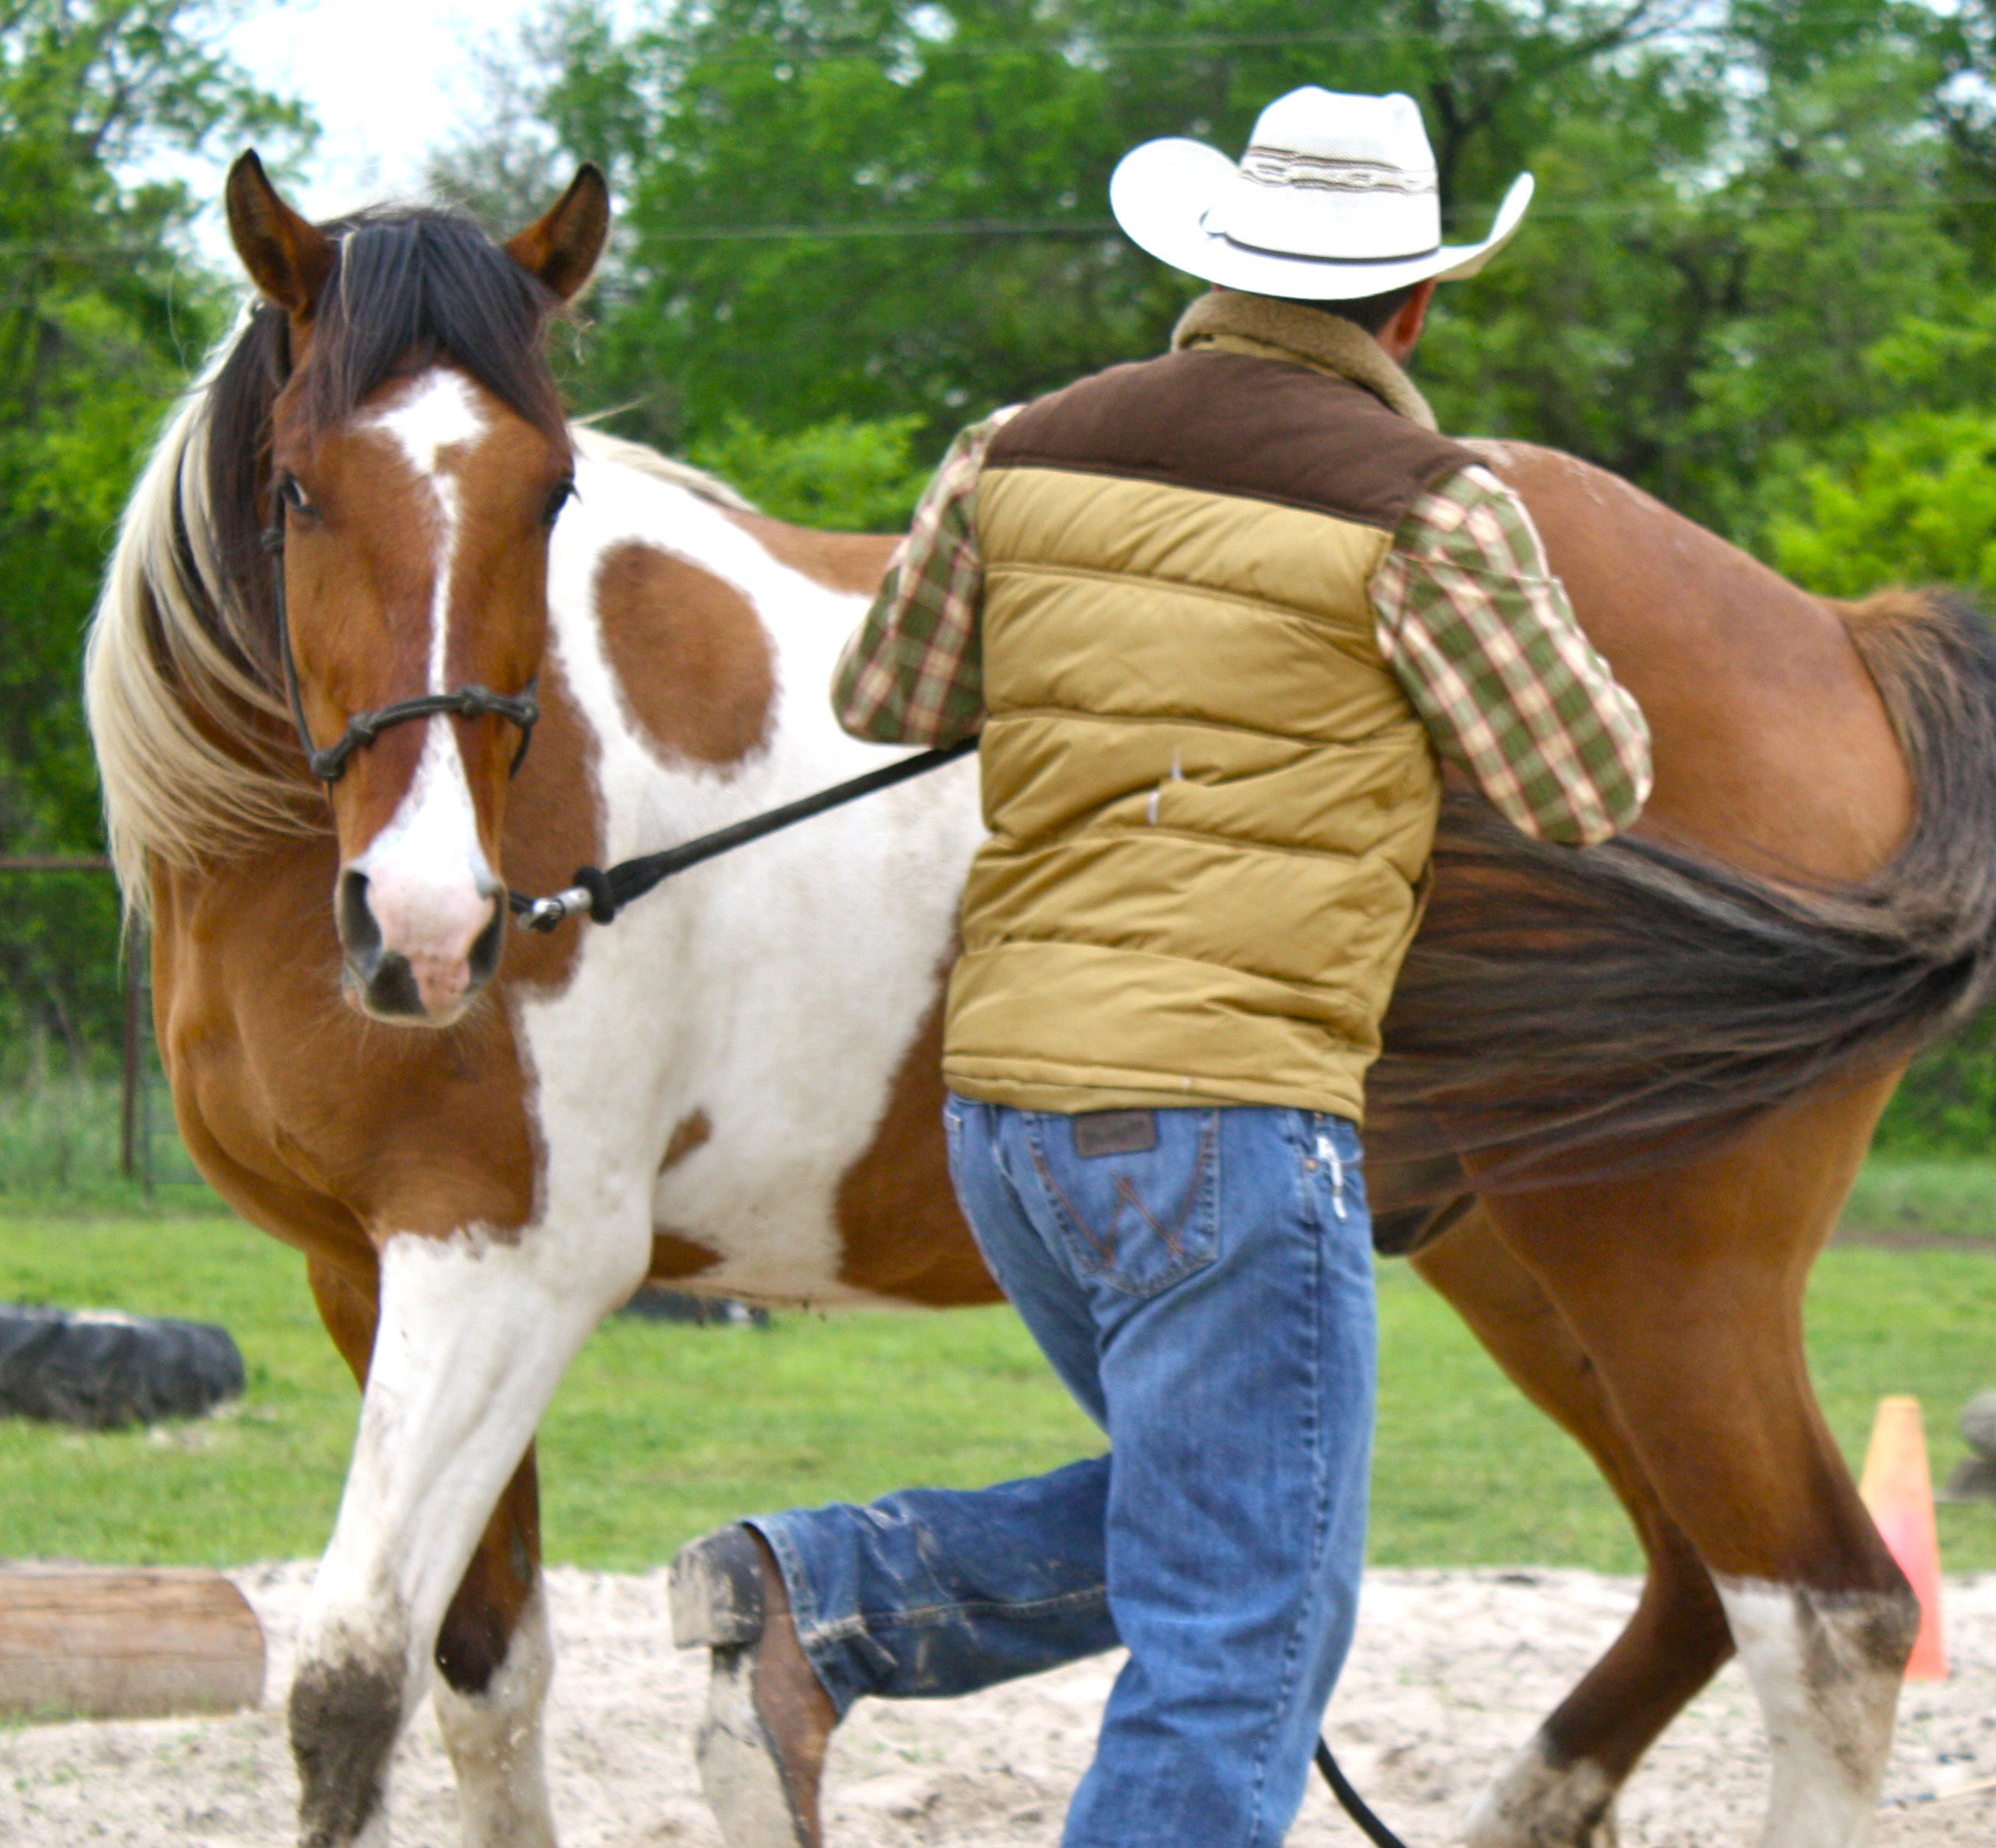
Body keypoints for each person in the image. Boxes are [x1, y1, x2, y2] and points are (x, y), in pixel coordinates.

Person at [668, 87, 1655, 1848]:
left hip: (1010, 1116)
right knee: (1243, 1621)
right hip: (1228, 1115)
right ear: (1413, 304)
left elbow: (886, 700)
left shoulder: (1013, 448)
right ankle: (823, 1597)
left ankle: (824, 1599)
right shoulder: (1429, 509)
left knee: (1234, 1544)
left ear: (1210, 261)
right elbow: (1585, 787)